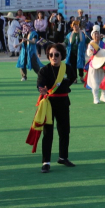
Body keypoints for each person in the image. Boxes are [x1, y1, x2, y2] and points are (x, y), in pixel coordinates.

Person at [31, 43, 77, 173]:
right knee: (48, 133)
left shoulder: (67, 68)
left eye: (56, 54)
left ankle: (63, 157)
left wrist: (64, 87)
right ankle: (46, 162)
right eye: (51, 55)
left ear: (61, 55)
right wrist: (43, 90)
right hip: (49, 104)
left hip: (63, 103)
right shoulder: (44, 70)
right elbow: (39, 85)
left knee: (64, 131)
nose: (53, 57)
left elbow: (72, 78)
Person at [85, 26, 105, 105]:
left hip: (103, 66)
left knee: (104, 81)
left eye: (98, 34)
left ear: (100, 35)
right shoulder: (91, 44)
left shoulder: (104, 44)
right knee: (95, 82)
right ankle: (95, 97)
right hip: (94, 65)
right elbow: (89, 53)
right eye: (95, 34)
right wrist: (91, 51)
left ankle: (103, 96)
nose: (96, 36)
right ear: (92, 36)